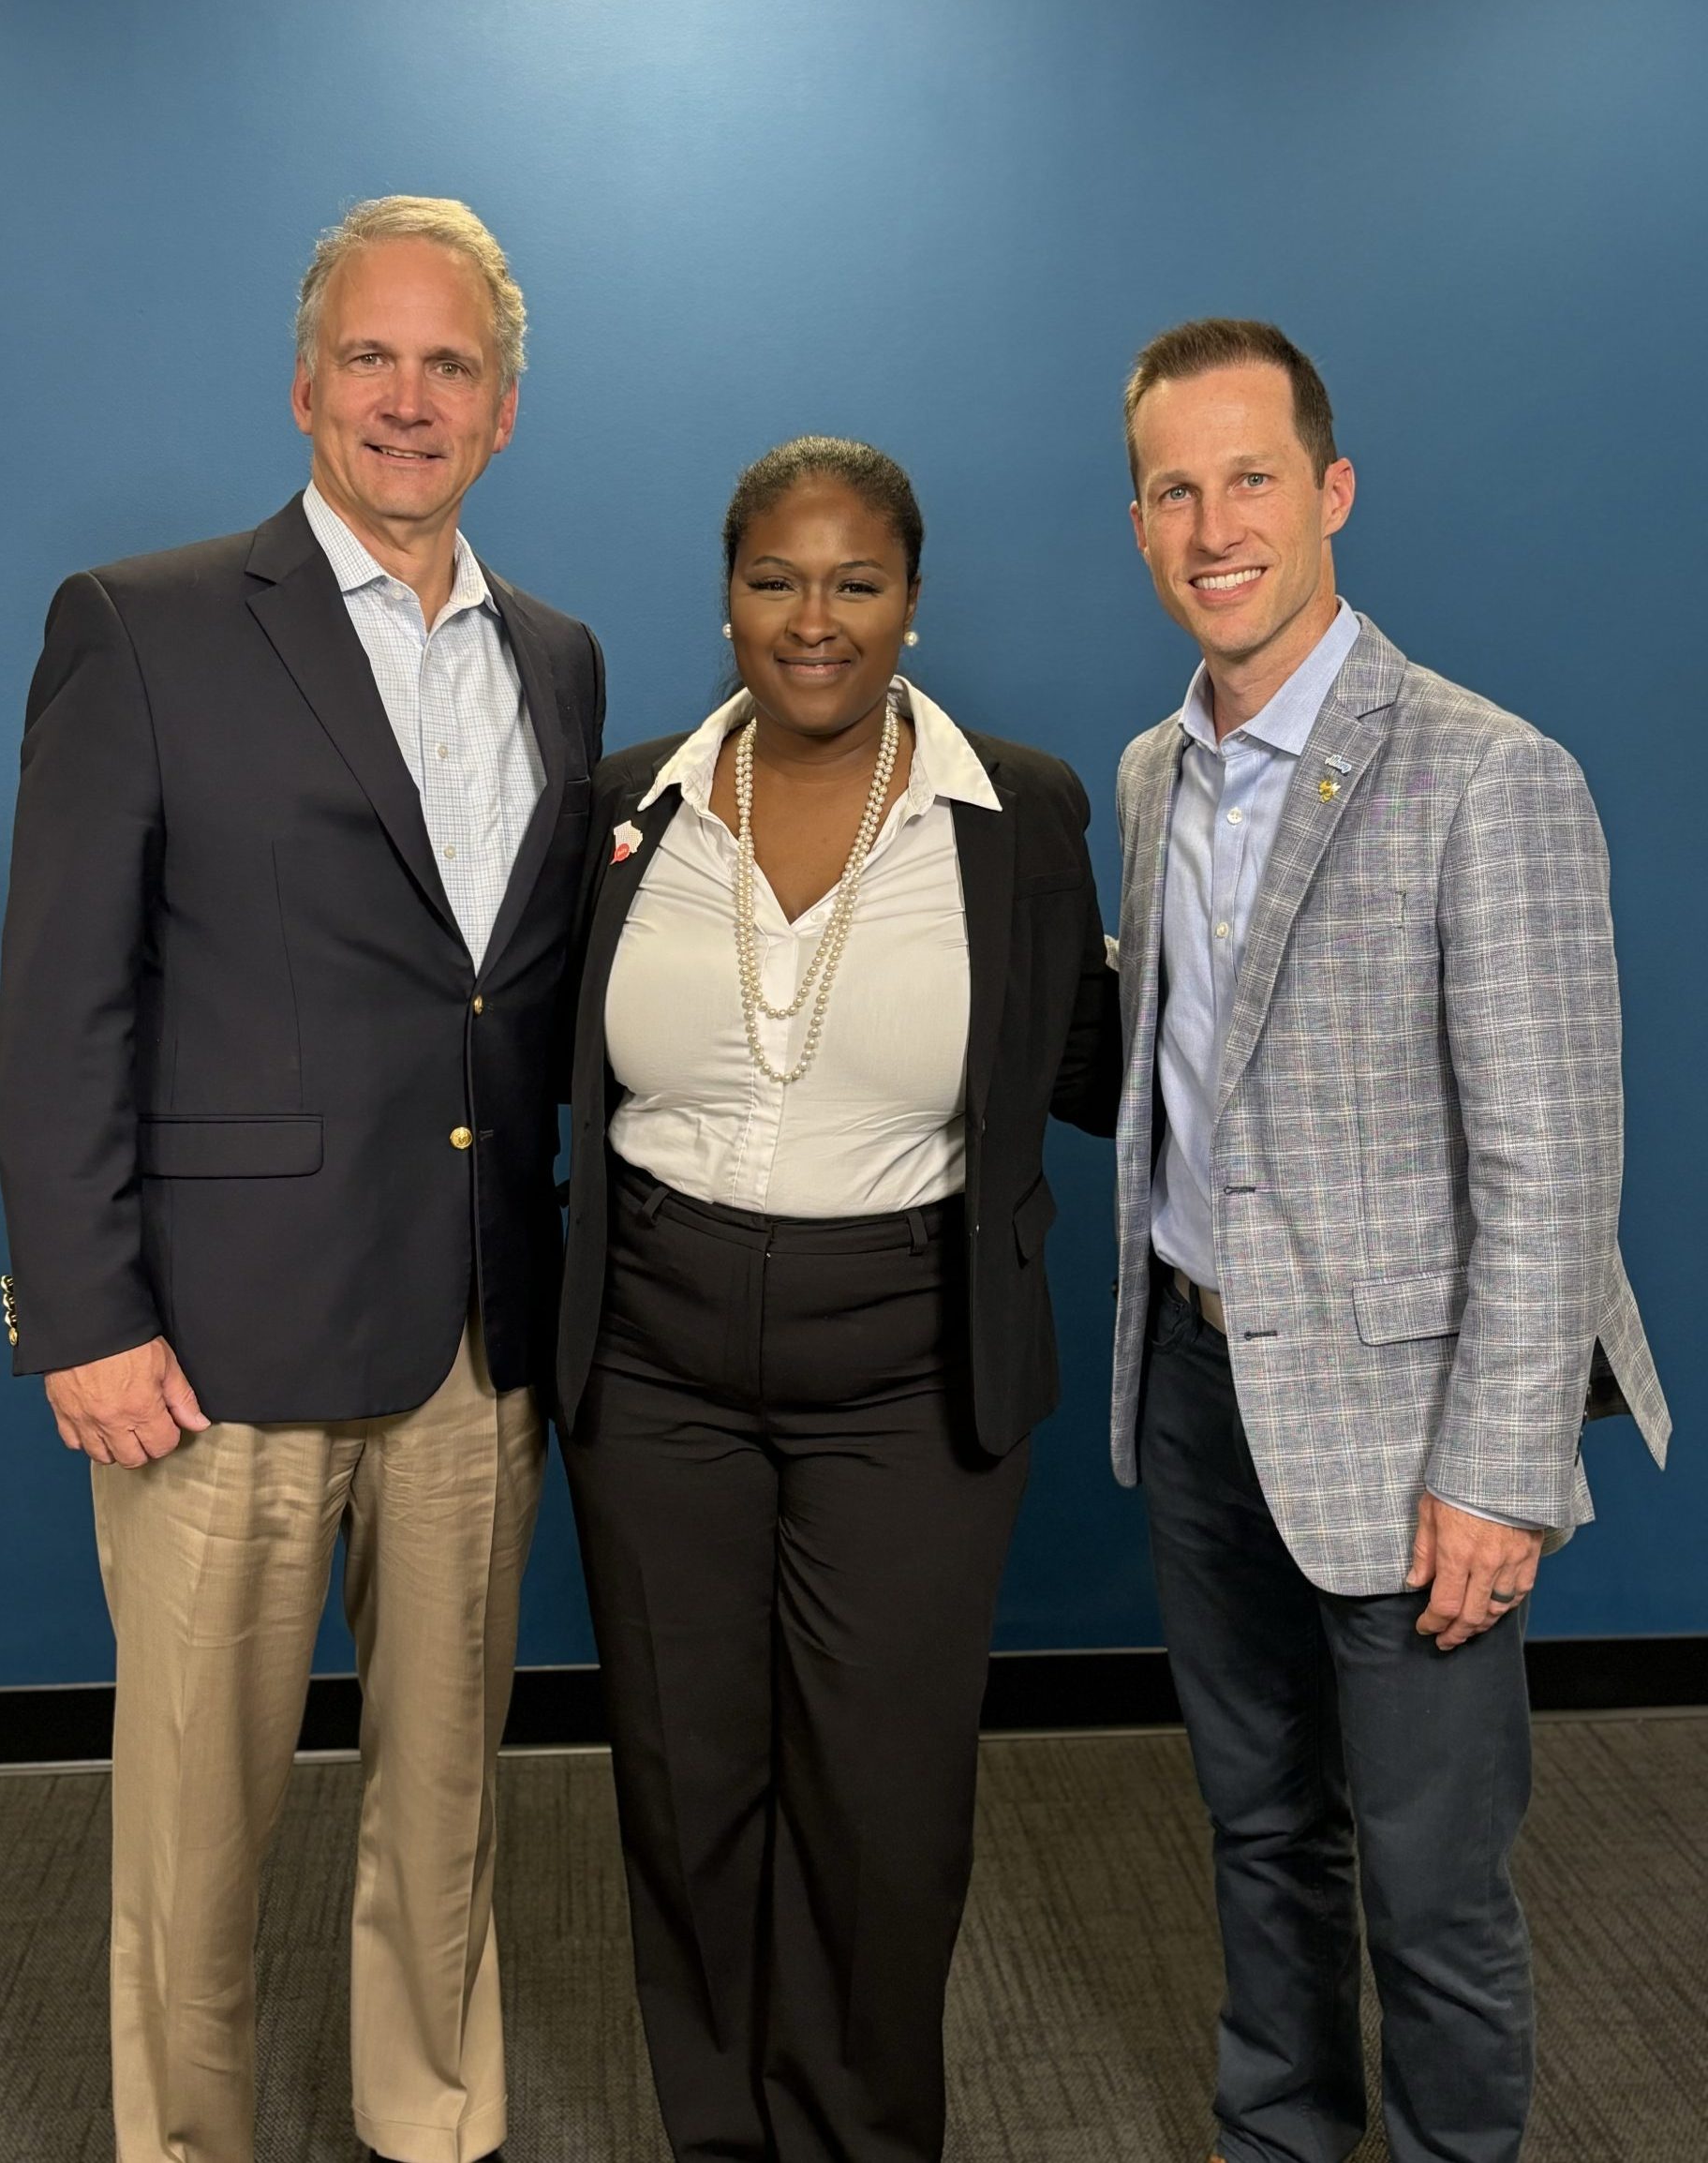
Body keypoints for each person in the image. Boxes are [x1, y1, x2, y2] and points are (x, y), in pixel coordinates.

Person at [0, 197, 602, 2163]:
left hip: (474, 1335)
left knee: (447, 1801)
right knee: (199, 1819)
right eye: (373, 358)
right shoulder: (142, 622)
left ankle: (431, 2119)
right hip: (213, 1346)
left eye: (451, 368)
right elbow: (58, 1001)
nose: (408, 401)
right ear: (305, 384)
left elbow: (510, 986)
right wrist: (83, 1314)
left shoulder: (561, 662)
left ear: (503, 411)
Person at [1107, 318, 1670, 2163]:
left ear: (1332, 492)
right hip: (1199, 1385)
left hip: (1416, 1433)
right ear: (1140, 519)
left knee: (1433, 1896)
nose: (1215, 525)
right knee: (1260, 1834)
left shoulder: (1488, 775)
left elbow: (1552, 1163)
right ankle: (1281, 2135)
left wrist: (1503, 1470)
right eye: (1175, 488)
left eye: (1250, 476)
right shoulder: (1148, 777)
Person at [553, 437, 1118, 2162]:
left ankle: (864, 2136)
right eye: (776, 581)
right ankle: (718, 2130)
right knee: (687, 1781)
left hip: (909, 1366)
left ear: (912, 606)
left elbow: (1106, 1065)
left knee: (883, 1803)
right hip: (652, 1364)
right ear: (726, 600)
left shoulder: (1022, 816)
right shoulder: (626, 806)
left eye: (856, 583)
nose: (816, 620)